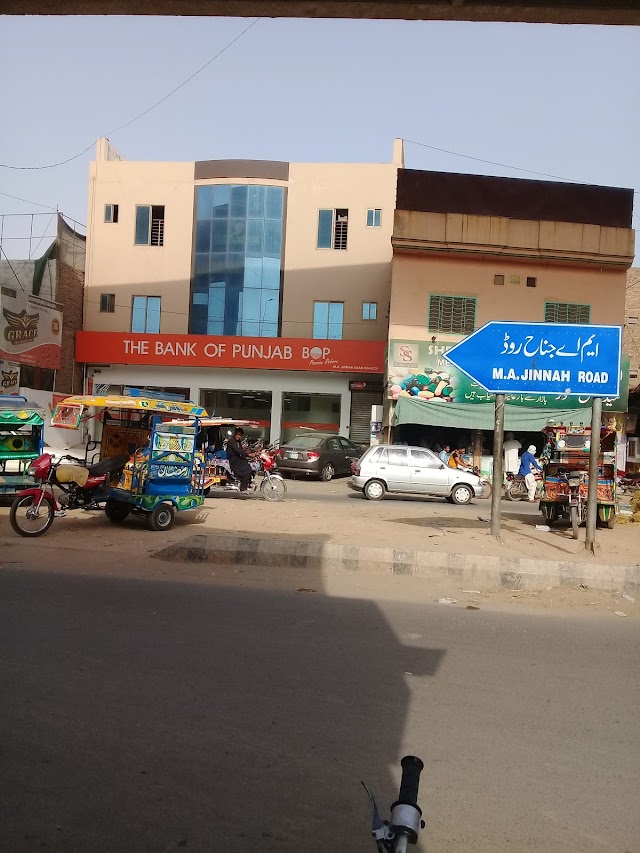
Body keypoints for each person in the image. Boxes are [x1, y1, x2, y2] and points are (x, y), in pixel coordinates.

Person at [226, 427, 253, 497]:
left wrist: (249, 454)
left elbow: (241, 450)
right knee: (248, 470)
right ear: (235, 434)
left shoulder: (238, 441)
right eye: (237, 434)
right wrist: (248, 455)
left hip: (238, 459)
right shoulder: (231, 441)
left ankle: (246, 484)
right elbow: (237, 450)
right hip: (234, 460)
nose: (238, 436)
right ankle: (243, 488)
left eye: (240, 435)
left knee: (249, 466)